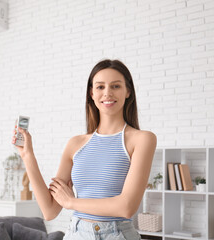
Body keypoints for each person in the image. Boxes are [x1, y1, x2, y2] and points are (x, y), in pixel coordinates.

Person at [12, 59, 157, 239]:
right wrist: (27, 155)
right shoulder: (75, 144)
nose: (107, 93)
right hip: (76, 234)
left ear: (128, 91)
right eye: (100, 87)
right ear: (91, 93)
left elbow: (126, 207)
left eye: (116, 86)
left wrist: (72, 202)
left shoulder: (142, 139)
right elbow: (49, 211)